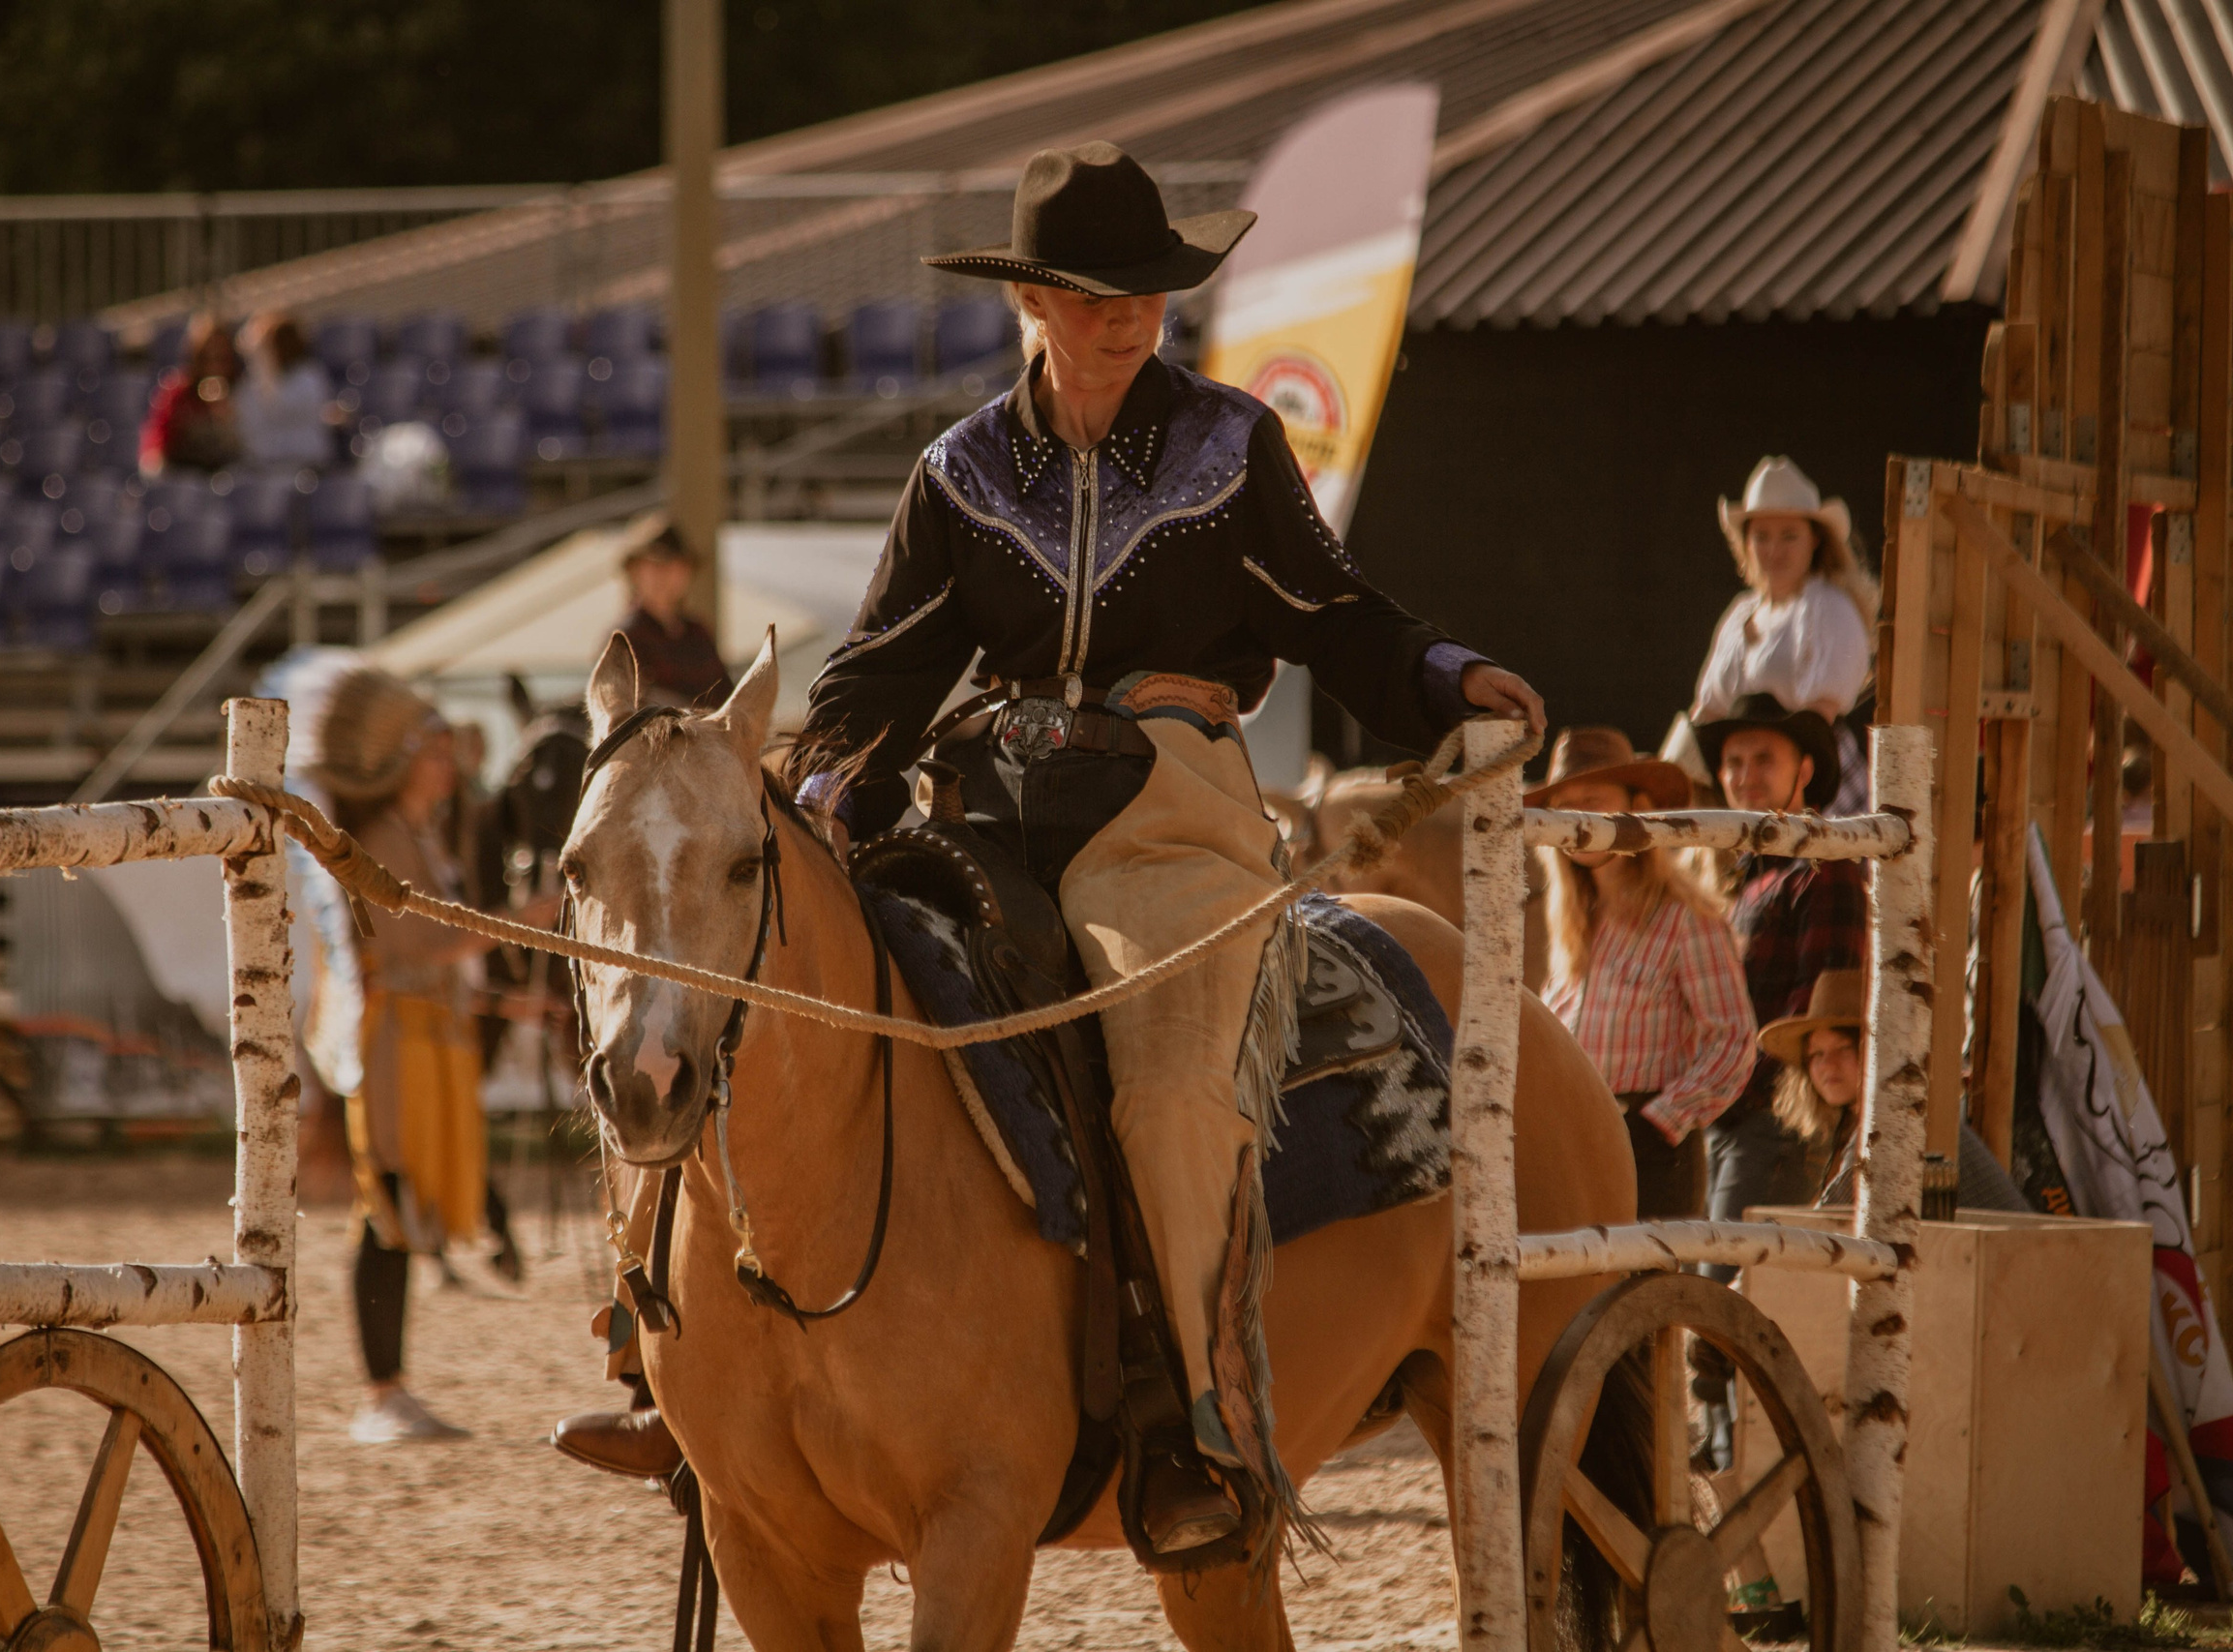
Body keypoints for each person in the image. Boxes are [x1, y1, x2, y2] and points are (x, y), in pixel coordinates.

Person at [549, 141, 1548, 1557]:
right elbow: (879, 670)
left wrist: (1449, 676)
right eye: (1088, 293)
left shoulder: (1230, 444)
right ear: (1029, 300)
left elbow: (1336, 615)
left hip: (1176, 819)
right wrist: (817, 778)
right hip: (984, 811)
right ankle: (674, 1368)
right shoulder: (960, 470)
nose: (1124, 313)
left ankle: (1197, 1418)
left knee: (1164, 1076)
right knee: (771, 996)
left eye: (1142, 288)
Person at [297, 663, 557, 1442]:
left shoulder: (420, 840)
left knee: (403, 1211)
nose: (450, 765)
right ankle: (382, 1391)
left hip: (424, 1037)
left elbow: (431, 961)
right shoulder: (380, 840)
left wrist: (514, 998)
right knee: (389, 1204)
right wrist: (520, 920)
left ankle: (392, 1386)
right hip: (392, 1045)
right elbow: (418, 943)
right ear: (405, 761)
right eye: (436, 750)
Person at [1687, 692, 1864, 1471]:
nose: (1742, 773)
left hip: (1780, 1115)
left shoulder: (1821, 867)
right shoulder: (1750, 875)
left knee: (1734, 1295)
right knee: (1726, 1295)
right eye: (1731, 761)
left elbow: (1824, 1004)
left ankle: (1740, 1463)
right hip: (1730, 1114)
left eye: (1762, 757)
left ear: (1803, 769)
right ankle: (1730, 1457)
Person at [1535, 728, 1755, 1220]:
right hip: (1577, 1143)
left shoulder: (1686, 918)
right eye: (1564, 808)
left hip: (1654, 1148)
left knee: (1643, 1293)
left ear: (1635, 809)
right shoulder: (1574, 928)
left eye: (1592, 802)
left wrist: (1661, 1123)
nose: (1576, 821)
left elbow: (1734, 1040)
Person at [1691, 457, 1879, 815]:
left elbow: (1817, 720)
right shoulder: (1738, 614)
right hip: (1746, 790)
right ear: (1745, 543)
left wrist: (1786, 784)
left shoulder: (1831, 607)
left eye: (1789, 535)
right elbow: (1707, 711)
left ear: (1815, 540)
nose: (1774, 550)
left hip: (1813, 785)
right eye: (1761, 536)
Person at [1765, 968, 2026, 1212]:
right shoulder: (1877, 1119)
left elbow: (1829, 1222)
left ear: (1879, 1052)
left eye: (1843, 1048)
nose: (1826, 1065)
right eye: (1816, 1054)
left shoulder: (1894, 1119)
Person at [612, 519, 733, 706]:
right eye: (656, 566)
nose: (666, 575)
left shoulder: (698, 633)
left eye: (675, 566)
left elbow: (725, 696)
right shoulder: (624, 637)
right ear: (635, 572)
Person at [139, 315, 246, 476]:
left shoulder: (243, 392)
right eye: (207, 358)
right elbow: (157, 443)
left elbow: (249, 449)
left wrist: (226, 416)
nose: (214, 366)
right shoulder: (177, 393)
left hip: (227, 476)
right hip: (186, 475)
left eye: (221, 358)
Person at [236, 311, 333, 469]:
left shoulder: (309, 378)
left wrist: (262, 364)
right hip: (264, 469)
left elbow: (278, 407)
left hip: (307, 468)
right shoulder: (249, 385)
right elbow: (248, 429)